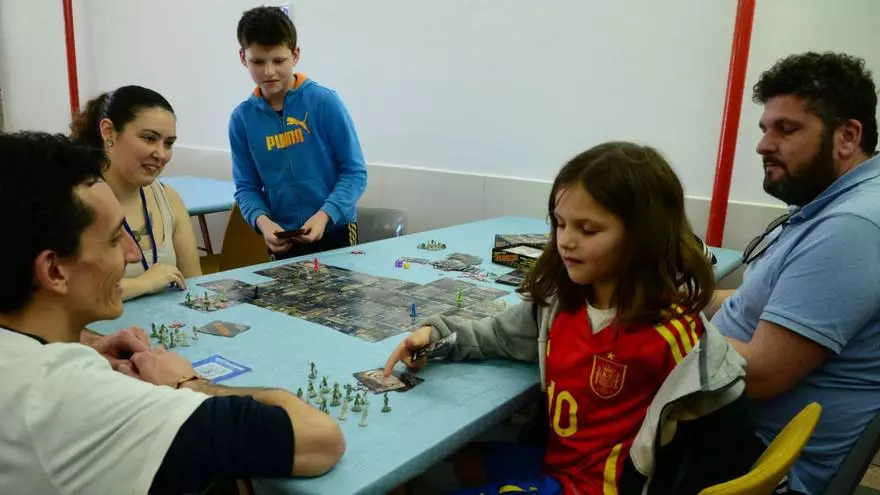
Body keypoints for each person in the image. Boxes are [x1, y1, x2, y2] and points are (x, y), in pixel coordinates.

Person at [0, 132, 345, 494]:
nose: (133, 254)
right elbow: (319, 439)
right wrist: (187, 383)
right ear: (54, 270)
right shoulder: (81, 400)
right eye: (115, 238)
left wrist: (89, 344)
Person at [383, 142, 737, 494]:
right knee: (431, 468)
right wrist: (434, 337)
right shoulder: (559, 303)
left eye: (588, 230)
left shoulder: (672, 333)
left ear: (644, 237)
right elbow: (496, 335)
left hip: (601, 487)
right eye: (560, 224)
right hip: (559, 463)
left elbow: (716, 441)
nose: (565, 240)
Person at [707, 52, 880, 495]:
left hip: (757, 466)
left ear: (847, 136)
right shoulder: (830, 204)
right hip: (731, 431)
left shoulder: (852, 226)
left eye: (786, 129)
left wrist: (659, 326)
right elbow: (758, 305)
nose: (763, 145)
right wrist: (678, 298)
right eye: (765, 128)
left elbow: (760, 374)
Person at [230, 6, 367, 259]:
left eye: (278, 61)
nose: (269, 71)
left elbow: (354, 172)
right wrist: (263, 222)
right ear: (242, 57)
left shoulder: (324, 102)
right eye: (258, 62)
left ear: (295, 55)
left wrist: (325, 215)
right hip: (282, 238)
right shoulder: (241, 120)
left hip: (334, 230)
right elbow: (246, 187)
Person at [71, 85, 202, 301]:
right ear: (108, 132)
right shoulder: (75, 200)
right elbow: (70, 294)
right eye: (149, 138)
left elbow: (194, 286)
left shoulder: (168, 199)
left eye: (168, 143)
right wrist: (144, 283)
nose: (161, 154)